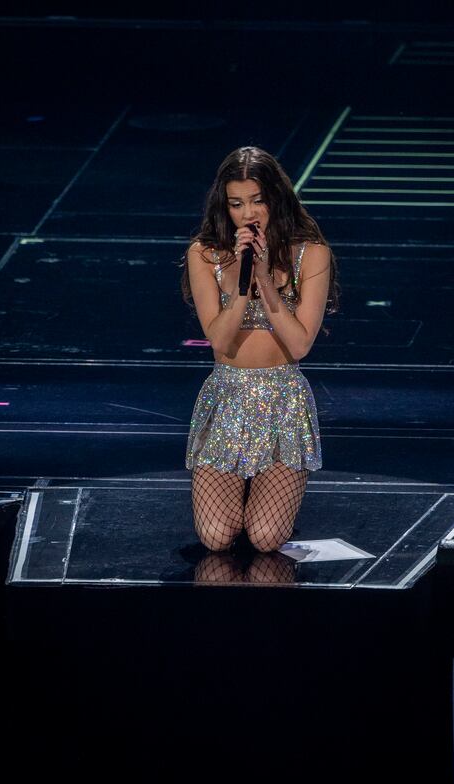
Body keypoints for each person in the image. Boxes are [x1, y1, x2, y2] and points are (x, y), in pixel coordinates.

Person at [182, 145, 336, 554]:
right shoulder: (205, 254)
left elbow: (300, 343)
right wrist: (241, 282)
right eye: (236, 204)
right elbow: (220, 340)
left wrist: (266, 280)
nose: (248, 214)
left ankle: (270, 491)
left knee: (266, 537)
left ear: (276, 198)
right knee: (216, 537)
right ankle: (238, 491)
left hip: (282, 401)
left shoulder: (311, 254)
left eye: (257, 201)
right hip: (228, 399)